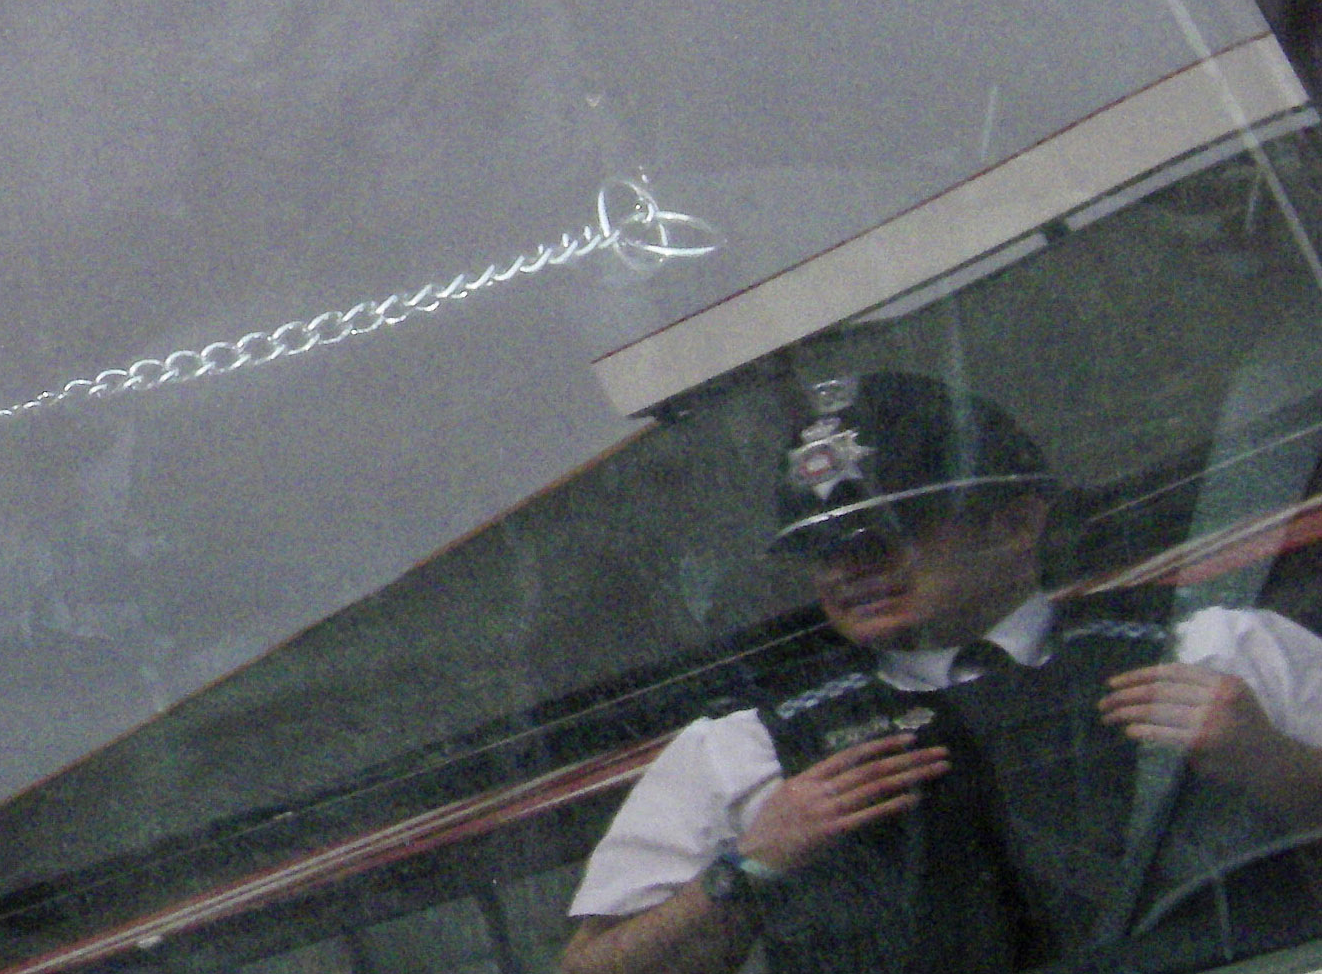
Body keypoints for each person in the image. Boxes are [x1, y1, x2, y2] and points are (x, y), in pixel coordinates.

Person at [561, 372, 1322, 974]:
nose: (847, 569)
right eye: (821, 548)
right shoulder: (743, 748)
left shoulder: (1217, 648)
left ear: (1016, 521)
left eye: (882, 535)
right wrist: (750, 866)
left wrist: (1274, 762)